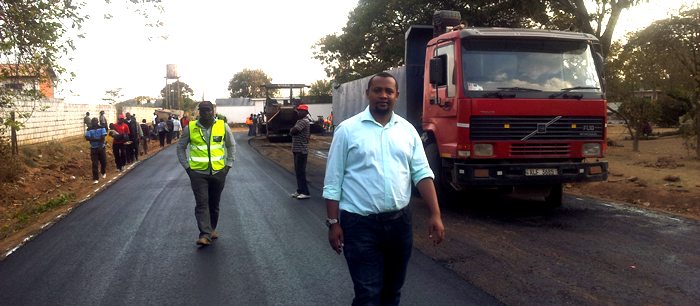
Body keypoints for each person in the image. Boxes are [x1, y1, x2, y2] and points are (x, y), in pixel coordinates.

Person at [323, 72, 445, 305]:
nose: (383, 95)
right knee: (368, 294)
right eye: (377, 90)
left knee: (392, 293)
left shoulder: (407, 131)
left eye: (389, 91)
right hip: (360, 226)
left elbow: (422, 173)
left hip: (399, 225)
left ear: (396, 95)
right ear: (367, 93)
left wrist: (435, 214)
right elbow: (333, 181)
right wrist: (333, 223)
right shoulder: (348, 130)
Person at [176, 101, 236, 246]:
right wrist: (188, 168)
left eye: (208, 110)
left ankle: (212, 229)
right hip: (198, 173)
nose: (205, 113)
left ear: (213, 111)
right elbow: (180, 148)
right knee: (202, 203)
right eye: (202, 110)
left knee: (214, 204)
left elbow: (231, 145)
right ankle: (204, 234)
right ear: (199, 112)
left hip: (218, 172)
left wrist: (228, 165)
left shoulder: (223, 126)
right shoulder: (190, 128)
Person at [289, 104, 311, 199]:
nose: (298, 112)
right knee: (298, 171)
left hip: (301, 151)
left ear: (305, 112)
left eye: (300, 111)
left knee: (301, 172)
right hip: (297, 150)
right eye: (298, 111)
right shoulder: (300, 121)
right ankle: (300, 190)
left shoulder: (304, 121)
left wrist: (291, 130)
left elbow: (293, 131)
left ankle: (305, 192)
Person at [85, 117, 107, 184]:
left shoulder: (102, 127)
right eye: (93, 121)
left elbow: (103, 137)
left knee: (103, 162)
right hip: (93, 148)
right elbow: (87, 138)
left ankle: (103, 172)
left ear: (97, 122)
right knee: (94, 164)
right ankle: (95, 178)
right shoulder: (89, 129)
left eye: (95, 121)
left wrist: (95, 140)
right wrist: (97, 139)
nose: (94, 123)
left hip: (101, 148)